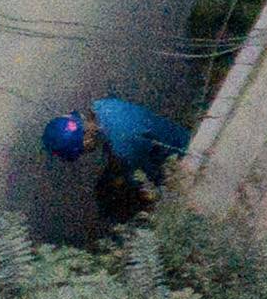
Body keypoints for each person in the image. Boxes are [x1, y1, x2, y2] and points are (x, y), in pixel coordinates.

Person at [45, 96, 188, 228]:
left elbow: (152, 179)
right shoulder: (102, 107)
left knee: (113, 198)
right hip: (175, 136)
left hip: (183, 158)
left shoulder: (124, 143)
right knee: (109, 184)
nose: (84, 154)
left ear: (86, 139)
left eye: (81, 151)